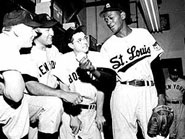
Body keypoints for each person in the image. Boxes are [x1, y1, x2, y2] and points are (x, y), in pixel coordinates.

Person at [99, 2, 166, 139]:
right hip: (123, 92)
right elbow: (109, 80)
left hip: (149, 90)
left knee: (158, 136)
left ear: (122, 15)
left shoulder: (143, 34)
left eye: (111, 17)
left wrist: (161, 95)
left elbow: (156, 66)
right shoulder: (107, 47)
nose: (108, 22)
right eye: (106, 20)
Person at [20, 13, 83, 139]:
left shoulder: (53, 50)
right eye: (47, 29)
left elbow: (63, 81)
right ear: (36, 30)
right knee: (54, 103)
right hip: (27, 102)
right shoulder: (27, 51)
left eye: (52, 29)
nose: (52, 33)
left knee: (54, 105)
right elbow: (31, 86)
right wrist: (62, 94)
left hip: (48, 107)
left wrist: (73, 116)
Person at [51, 26, 117, 139]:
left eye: (84, 38)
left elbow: (101, 87)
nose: (84, 42)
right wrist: (73, 116)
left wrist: (99, 114)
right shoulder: (64, 59)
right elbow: (64, 88)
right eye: (79, 40)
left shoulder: (97, 57)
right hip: (72, 111)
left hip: (92, 111)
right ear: (71, 45)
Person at [0, 9, 41, 139]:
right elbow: (15, 94)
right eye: (31, 28)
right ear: (16, 29)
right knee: (19, 104)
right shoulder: (6, 44)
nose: (35, 33)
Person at [165, 67, 185, 139]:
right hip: (169, 105)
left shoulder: (183, 82)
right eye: (173, 74)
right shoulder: (165, 82)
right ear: (169, 74)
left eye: (176, 75)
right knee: (171, 126)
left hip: (180, 105)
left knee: (181, 126)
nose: (175, 76)